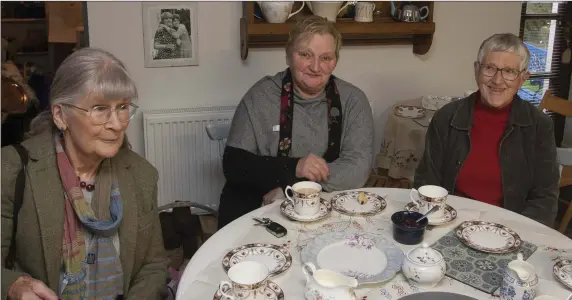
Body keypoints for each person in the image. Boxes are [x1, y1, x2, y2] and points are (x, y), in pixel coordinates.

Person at [1, 48, 168, 300]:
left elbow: (153, 266)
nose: (116, 123)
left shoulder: (142, 175)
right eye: (100, 108)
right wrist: (14, 286)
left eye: (122, 107)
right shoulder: (12, 169)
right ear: (60, 115)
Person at [218, 15, 374, 229]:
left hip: (325, 209)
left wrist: (292, 187)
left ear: (335, 60)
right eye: (305, 55)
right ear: (288, 55)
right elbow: (234, 165)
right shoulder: (261, 96)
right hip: (261, 206)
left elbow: (357, 168)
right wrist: (294, 167)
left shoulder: (352, 100)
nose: (316, 67)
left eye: (326, 58)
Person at [414, 33, 559, 227]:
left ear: (523, 78)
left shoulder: (539, 126)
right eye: (490, 68)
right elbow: (426, 181)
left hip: (510, 230)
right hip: (450, 223)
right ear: (476, 70)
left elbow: (544, 199)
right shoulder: (447, 117)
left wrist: (518, 235)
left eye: (509, 71)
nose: (498, 80)